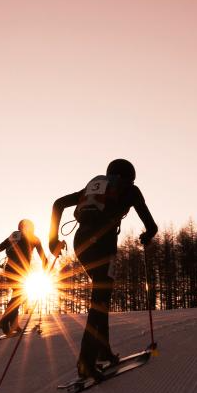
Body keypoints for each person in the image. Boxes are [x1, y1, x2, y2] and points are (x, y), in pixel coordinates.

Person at [48, 158, 158, 380]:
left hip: (81, 243)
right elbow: (151, 226)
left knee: (101, 294)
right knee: (100, 299)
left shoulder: (93, 187)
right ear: (129, 176)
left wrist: (53, 241)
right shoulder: (130, 189)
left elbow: (58, 203)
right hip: (103, 244)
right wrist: (146, 236)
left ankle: (102, 351)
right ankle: (86, 362)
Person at [0, 219, 51, 335]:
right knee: (19, 295)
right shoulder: (33, 238)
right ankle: (5, 321)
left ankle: (13, 324)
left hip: (13, 268)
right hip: (18, 269)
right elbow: (43, 257)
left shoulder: (16, 236)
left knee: (18, 294)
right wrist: (46, 267)